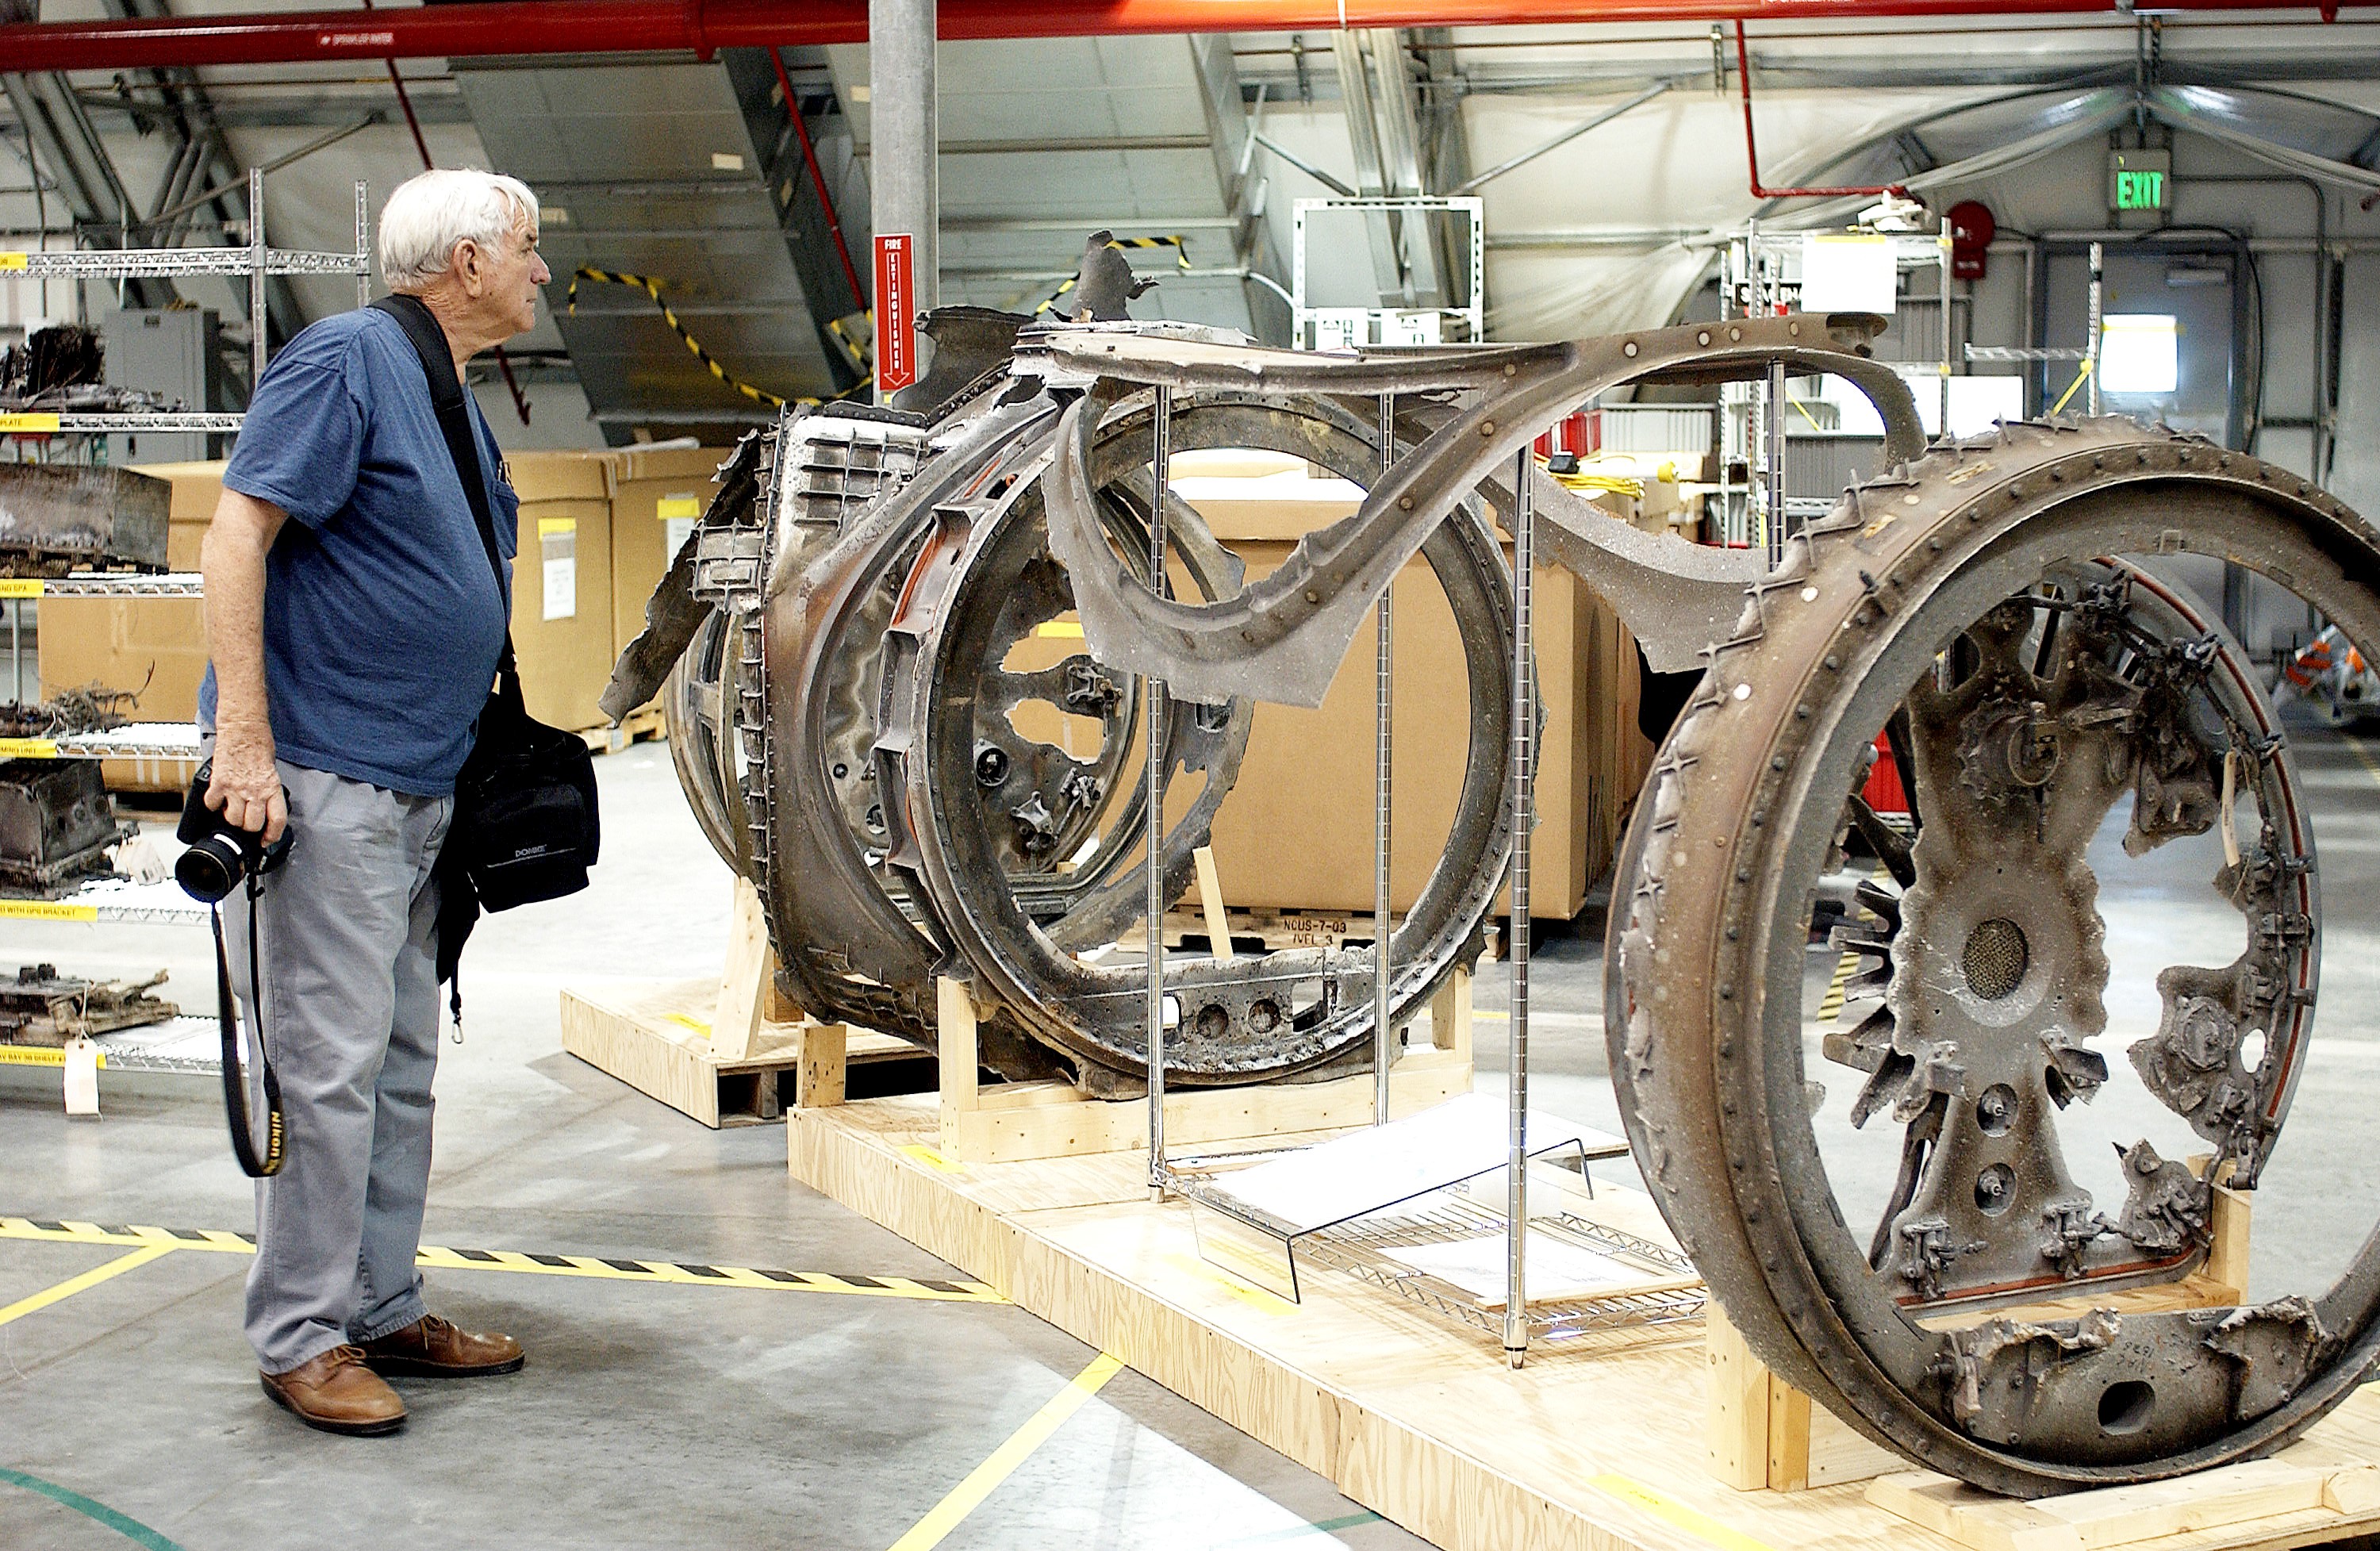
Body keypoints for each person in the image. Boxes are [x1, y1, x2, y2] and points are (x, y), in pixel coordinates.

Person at [198, 167, 551, 1437]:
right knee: (329, 1066)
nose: (541, 269)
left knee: (400, 1062)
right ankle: (299, 1335)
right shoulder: (345, 361)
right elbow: (236, 538)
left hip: (417, 786)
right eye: (525, 247)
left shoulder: (451, 389)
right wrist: (244, 747)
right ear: (462, 260)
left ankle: (379, 1302)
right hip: (323, 776)